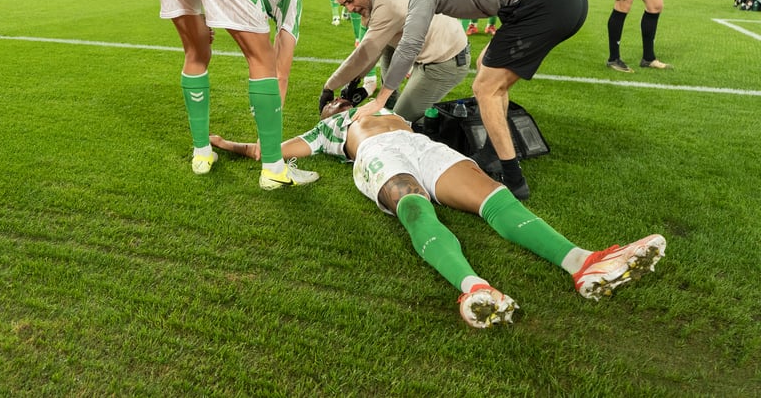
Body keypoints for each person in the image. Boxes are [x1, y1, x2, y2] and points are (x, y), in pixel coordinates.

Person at [210, 98, 667, 329]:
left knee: (494, 197)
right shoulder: (331, 129)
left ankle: (584, 263)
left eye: (343, 100)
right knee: (414, 208)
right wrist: (227, 144)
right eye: (333, 102)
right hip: (377, 156)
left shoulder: (388, 107)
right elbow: (265, 150)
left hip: (423, 147)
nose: (340, 102)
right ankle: (474, 288)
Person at [351, 0, 588, 201]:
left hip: (544, 1)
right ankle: (492, 153)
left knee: (485, 89)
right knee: (486, 63)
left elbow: (409, 45)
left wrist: (381, 99)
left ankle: (514, 180)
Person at [147, 0, 319, 190]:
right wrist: (267, 138)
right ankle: (274, 169)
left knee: (196, 52)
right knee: (261, 58)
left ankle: (202, 154)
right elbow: (281, 72)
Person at [319, 0, 470, 123]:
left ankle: (450, 129)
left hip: (445, 61)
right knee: (387, 49)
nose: (349, 9)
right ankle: (390, 103)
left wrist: (329, 86)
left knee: (399, 121)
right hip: (434, 49)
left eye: (350, 0)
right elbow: (376, 48)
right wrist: (355, 80)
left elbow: (366, 52)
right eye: (344, 5)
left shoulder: (388, 3)